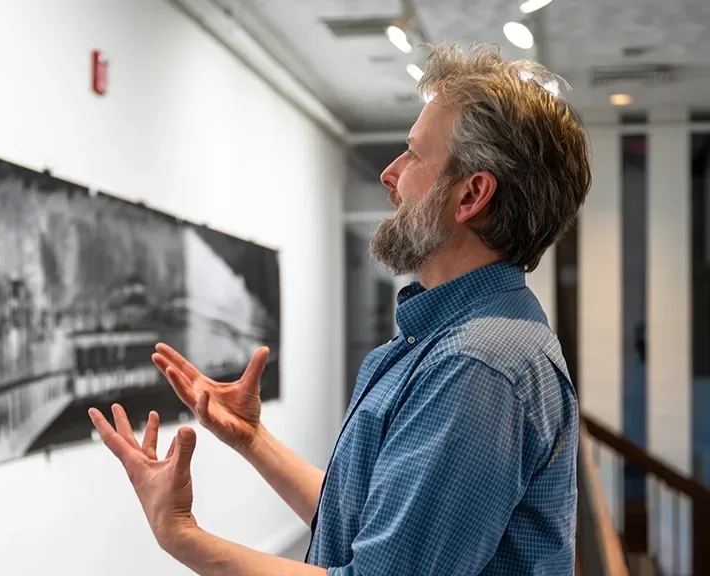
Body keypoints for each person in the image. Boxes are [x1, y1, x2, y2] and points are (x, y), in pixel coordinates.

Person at [88, 42, 591, 575]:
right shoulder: (451, 342)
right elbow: (366, 528)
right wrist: (253, 439)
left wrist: (181, 535)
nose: (390, 173)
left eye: (415, 154)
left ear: (470, 196)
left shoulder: (477, 367)